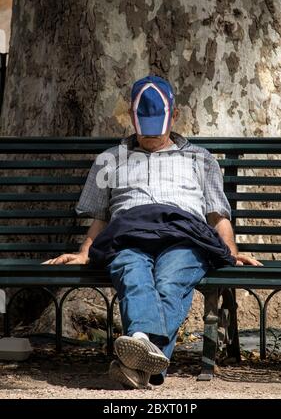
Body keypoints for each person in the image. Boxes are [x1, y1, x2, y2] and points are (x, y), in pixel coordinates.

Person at [44, 75, 262, 389]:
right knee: (132, 272)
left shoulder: (200, 159)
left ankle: (139, 347)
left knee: (171, 279)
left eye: (157, 128)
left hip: (185, 235)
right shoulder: (110, 159)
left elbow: (217, 214)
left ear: (173, 116)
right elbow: (102, 216)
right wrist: (84, 253)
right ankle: (144, 358)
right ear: (130, 119)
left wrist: (231, 251)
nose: (150, 137)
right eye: (143, 128)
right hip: (126, 235)